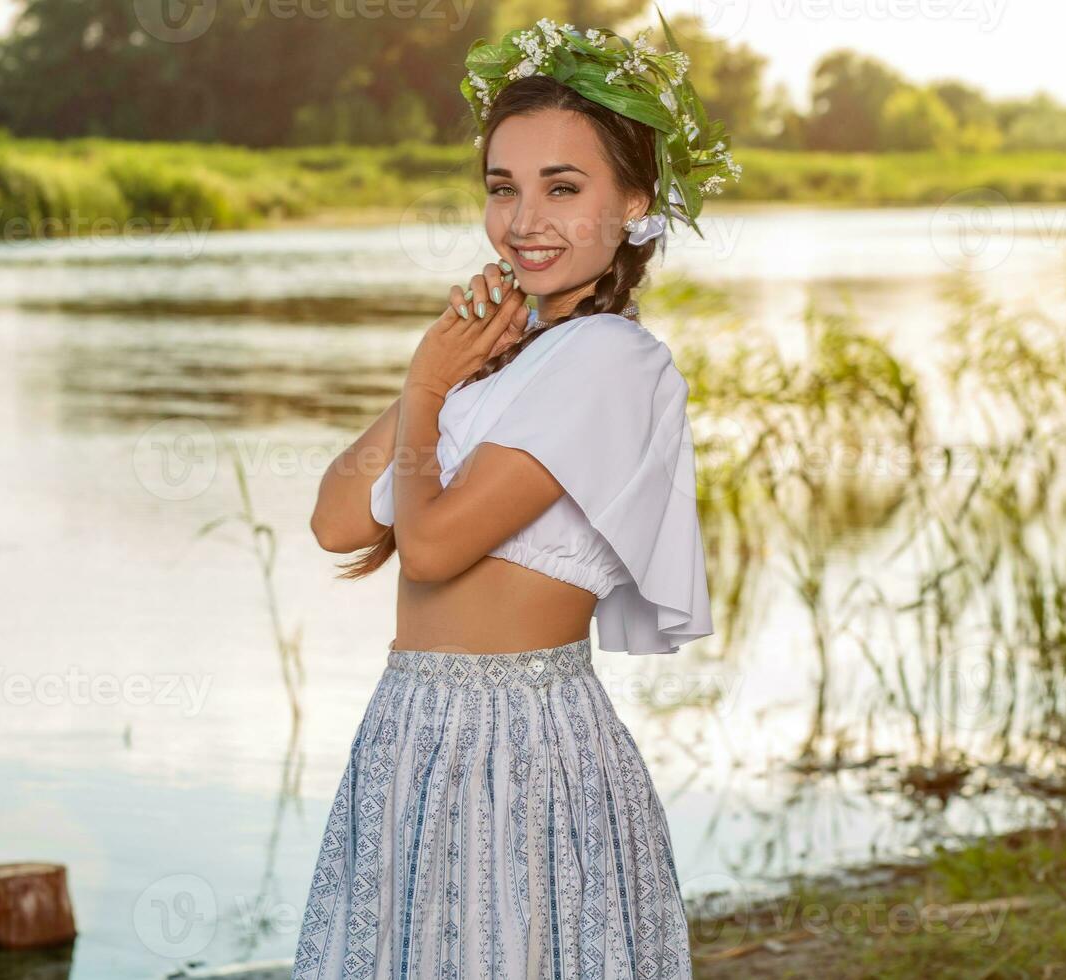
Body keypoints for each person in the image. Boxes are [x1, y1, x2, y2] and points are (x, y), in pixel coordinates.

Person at [293, 14, 739, 979]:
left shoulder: (613, 361)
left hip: (518, 744)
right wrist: (449, 370)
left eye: (563, 187)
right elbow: (335, 519)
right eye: (504, 188)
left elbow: (438, 547)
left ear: (633, 202)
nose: (525, 219)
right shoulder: (505, 362)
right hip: (412, 727)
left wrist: (424, 387)